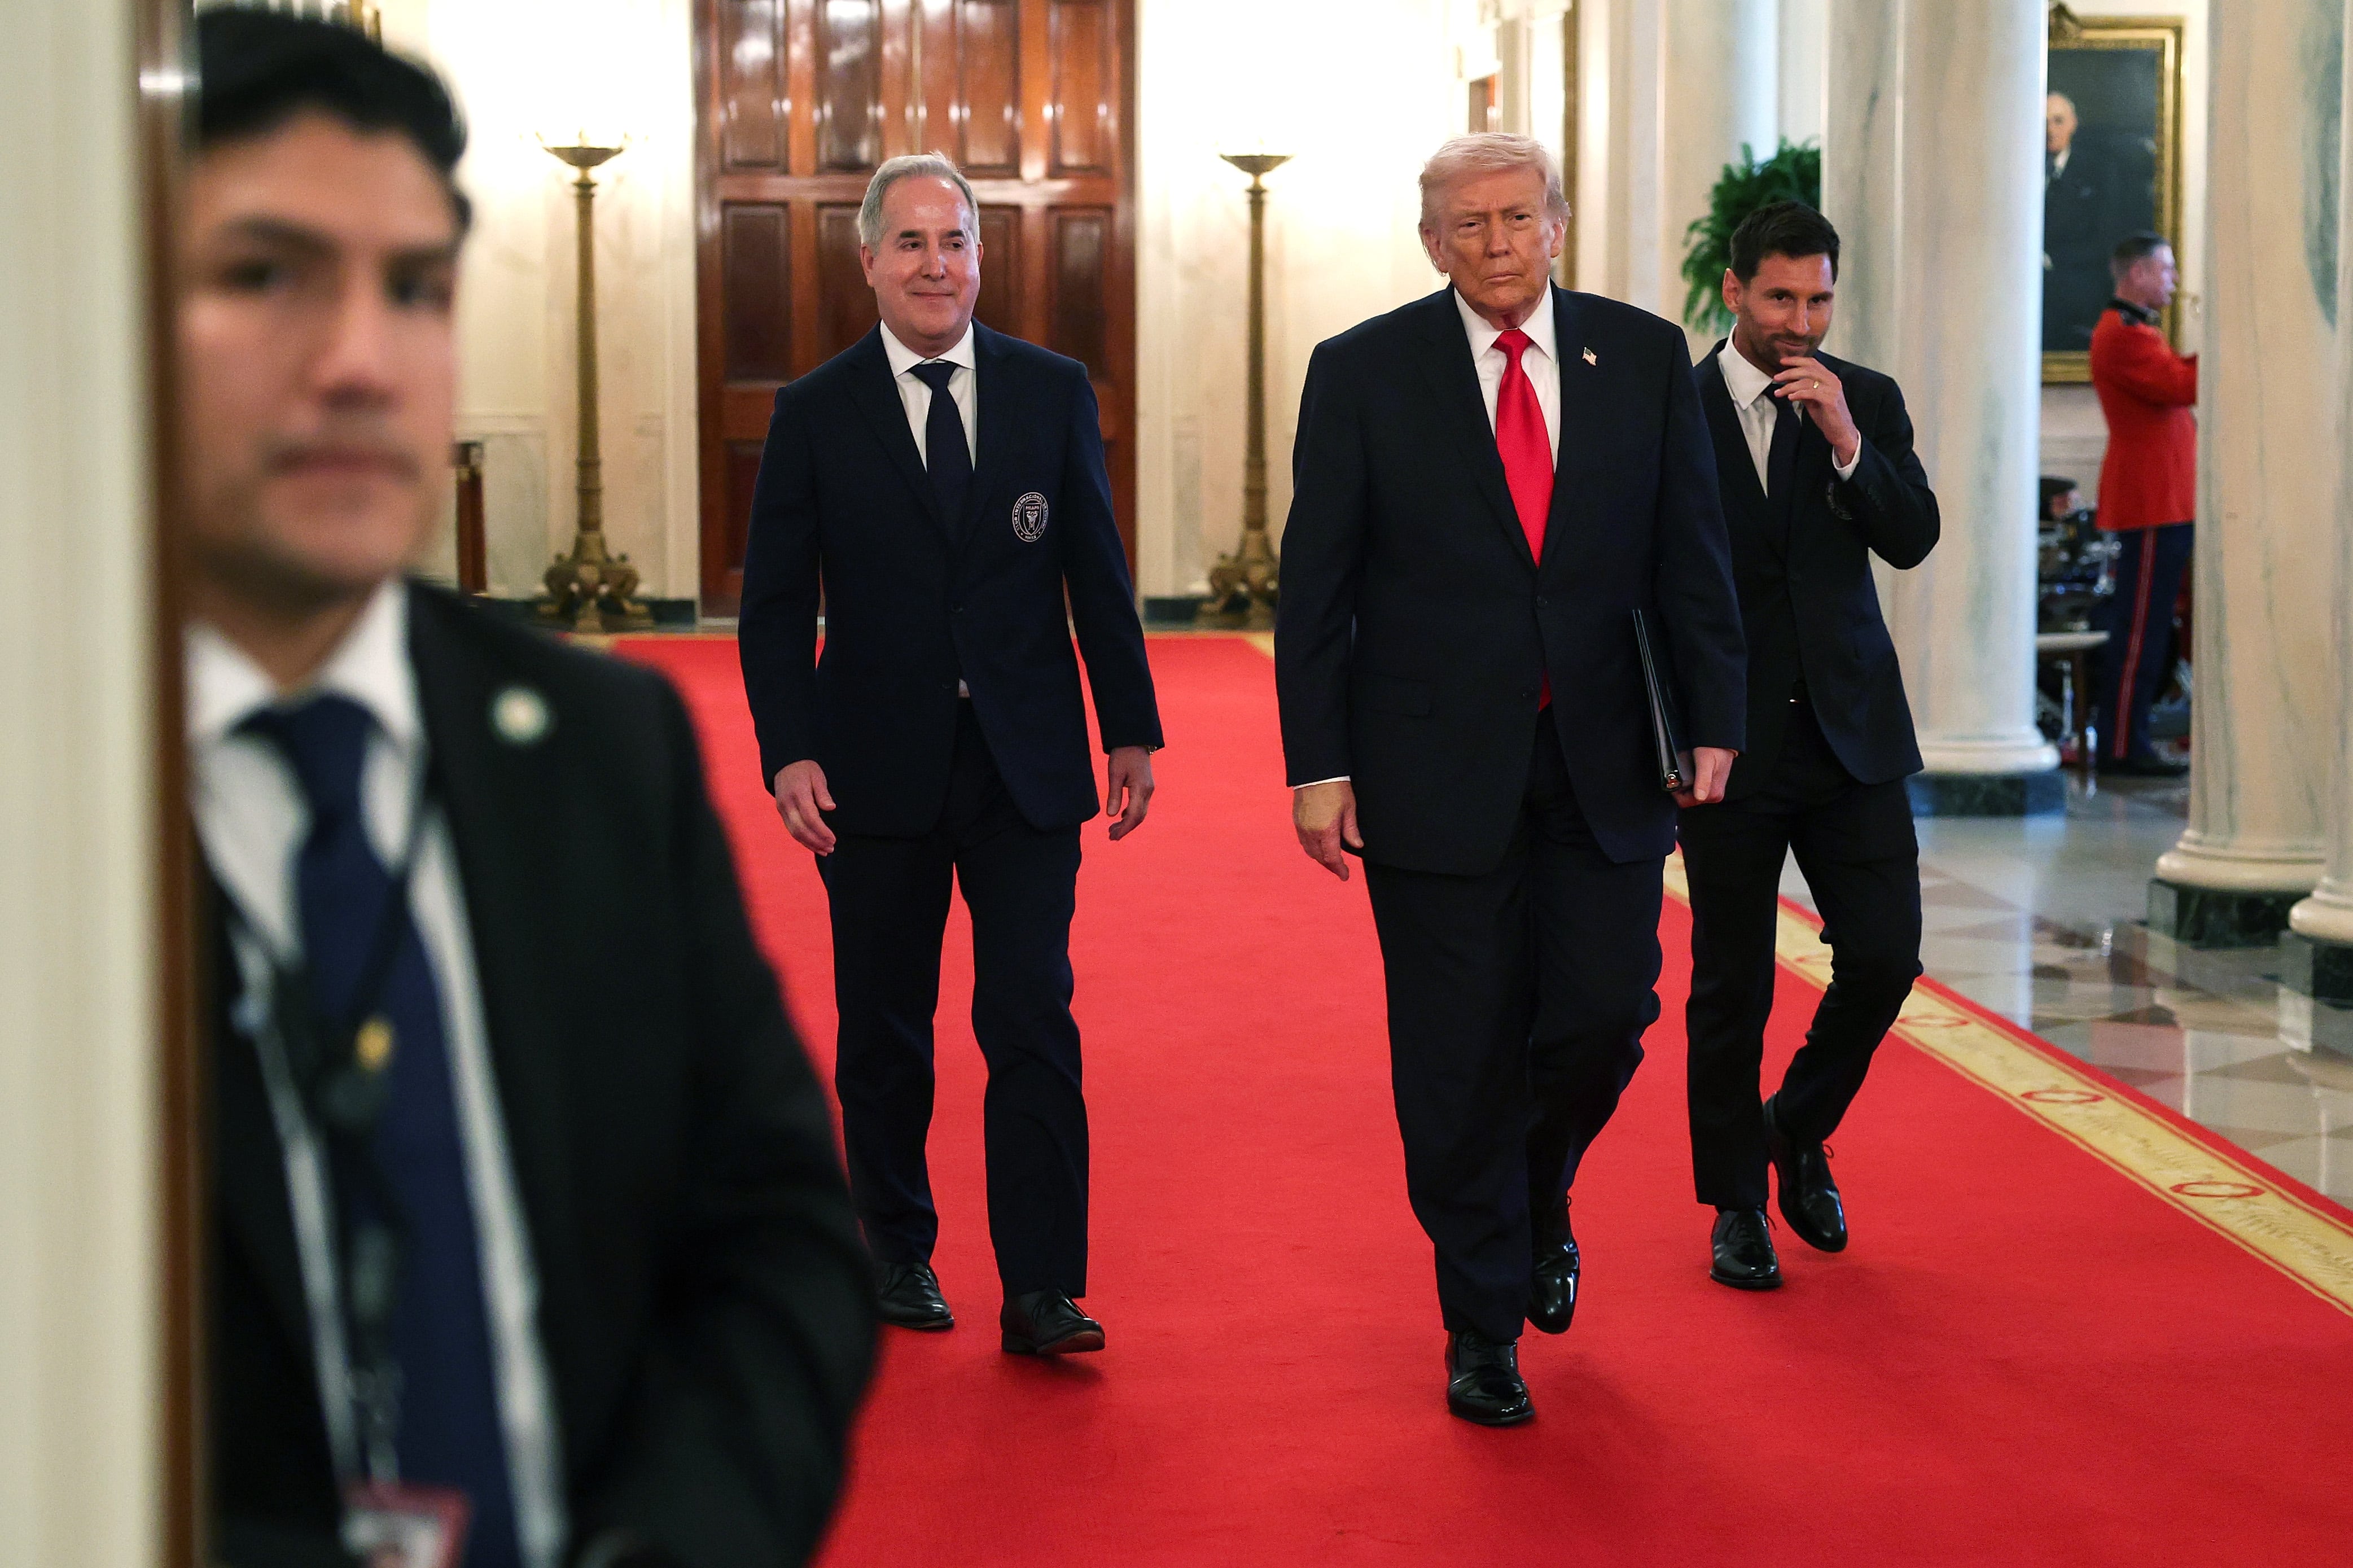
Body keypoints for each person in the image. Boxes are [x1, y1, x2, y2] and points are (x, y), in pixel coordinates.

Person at [186, 16, 873, 1567]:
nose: (362, 359)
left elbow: (776, 1242)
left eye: (416, 289)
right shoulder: (53, 790)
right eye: (265, 275)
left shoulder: (594, 742)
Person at [1274, 134, 1746, 1426]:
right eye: (1468, 224)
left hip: (1601, 757)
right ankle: (1480, 1314)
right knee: (1453, 1046)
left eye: (1516, 217)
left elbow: (1689, 555)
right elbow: (1314, 587)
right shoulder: (1362, 371)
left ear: (1557, 222)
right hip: (1428, 764)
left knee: (1604, 1009)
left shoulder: (1642, 357)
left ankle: (1539, 1186)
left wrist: (1715, 712)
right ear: (1431, 241)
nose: (1496, 242)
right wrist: (1315, 763)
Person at [737, 154, 1162, 1357]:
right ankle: (896, 1249)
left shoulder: (1047, 388)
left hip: (1023, 763)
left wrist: (1127, 722)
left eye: (956, 241)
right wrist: (789, 752)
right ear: (867, 261)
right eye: (911, 243)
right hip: (871, 769)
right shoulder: (816, 411)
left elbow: (1095, 569)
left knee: (1031, 1014)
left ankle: (1040, 1287)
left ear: (982, 256)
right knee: (885, 1023)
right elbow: (774, 606)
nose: (937, 264)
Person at [1679, 202, 1939, 1291]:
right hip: (1725, 747)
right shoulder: (1670, 407)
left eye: (1818, 299)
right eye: (1780, 297)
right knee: (1730, 982)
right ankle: (1735, 1202)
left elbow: (1912, 536)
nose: (1800, 322)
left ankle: (1792, 1124)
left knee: (1883, 956)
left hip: (1849, 735)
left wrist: (1846, 443)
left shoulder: (1863, 399)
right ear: (1732, 290)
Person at [2087, 232, 2196, 778]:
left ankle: (2131, 740)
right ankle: (2123, 746)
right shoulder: (2125, 334)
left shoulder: (2137, 329)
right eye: (2167, 269)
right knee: (2139, 634)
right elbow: (2181, 384)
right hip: (2150, 501)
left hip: (2166, 498)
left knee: (2154, 629)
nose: (2174, 281)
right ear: (2137, 274)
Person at [2043, 91, 2136, 353]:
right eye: (2044, 122)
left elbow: (2107, 240)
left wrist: (2053, 260)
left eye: (2058, 121)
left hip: (2077, 289)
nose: (2050, 130)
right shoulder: (2019, 170)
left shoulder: (2099, 173)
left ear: (2074, 124)